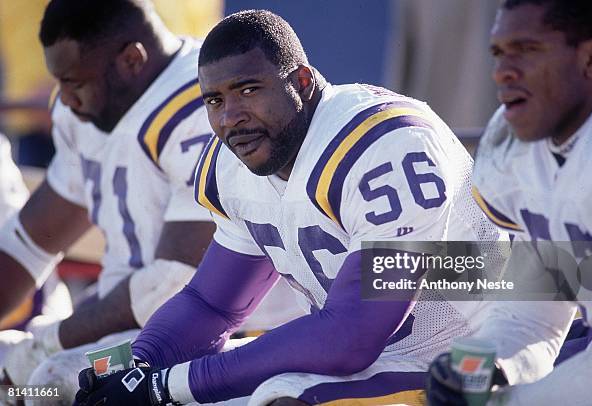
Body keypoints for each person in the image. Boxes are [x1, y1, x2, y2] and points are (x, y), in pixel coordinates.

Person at [69, 10, 518, 406]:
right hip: (372, 355)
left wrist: (166, 387)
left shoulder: (387, 147)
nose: (230, 117)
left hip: (474, 349)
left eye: (248, 90)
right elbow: (212, 305)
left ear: (301, 81)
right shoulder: (237, 160)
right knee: (76, 382)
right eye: (215, 100)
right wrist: (137, 367)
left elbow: (352, 335)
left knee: (281, 400)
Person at [0, 1, 301, 402]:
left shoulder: (212, 110)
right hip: (157, 328)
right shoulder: (91, 105)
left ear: (131, 60)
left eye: (76, 84)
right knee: (38, 377)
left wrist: (42, 346)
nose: (66, 100)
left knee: (53, 381)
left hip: (231, 333)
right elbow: (31, 239)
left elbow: (171, 285)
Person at [426, 0, 592, 404]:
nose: (502, 72)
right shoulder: (515, 145)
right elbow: (533, 313)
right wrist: (483, 365)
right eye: (498, 52)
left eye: (527, 50)